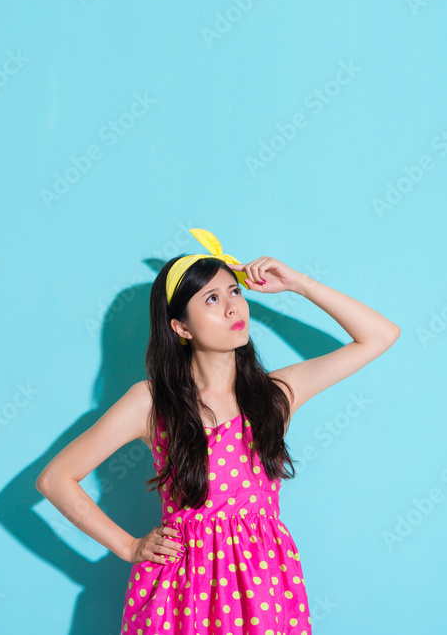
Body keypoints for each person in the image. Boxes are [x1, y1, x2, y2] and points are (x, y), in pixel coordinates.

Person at [35, 228, 400, 634]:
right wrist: (128, 546)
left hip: (263, 587)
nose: (232, 308)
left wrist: (300, 284)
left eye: (235, 293)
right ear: (181, 327)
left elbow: (380, 335)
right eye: (212, 299)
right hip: (180, 593)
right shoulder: (152, 402)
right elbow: (56, 479)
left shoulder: (274, 395)